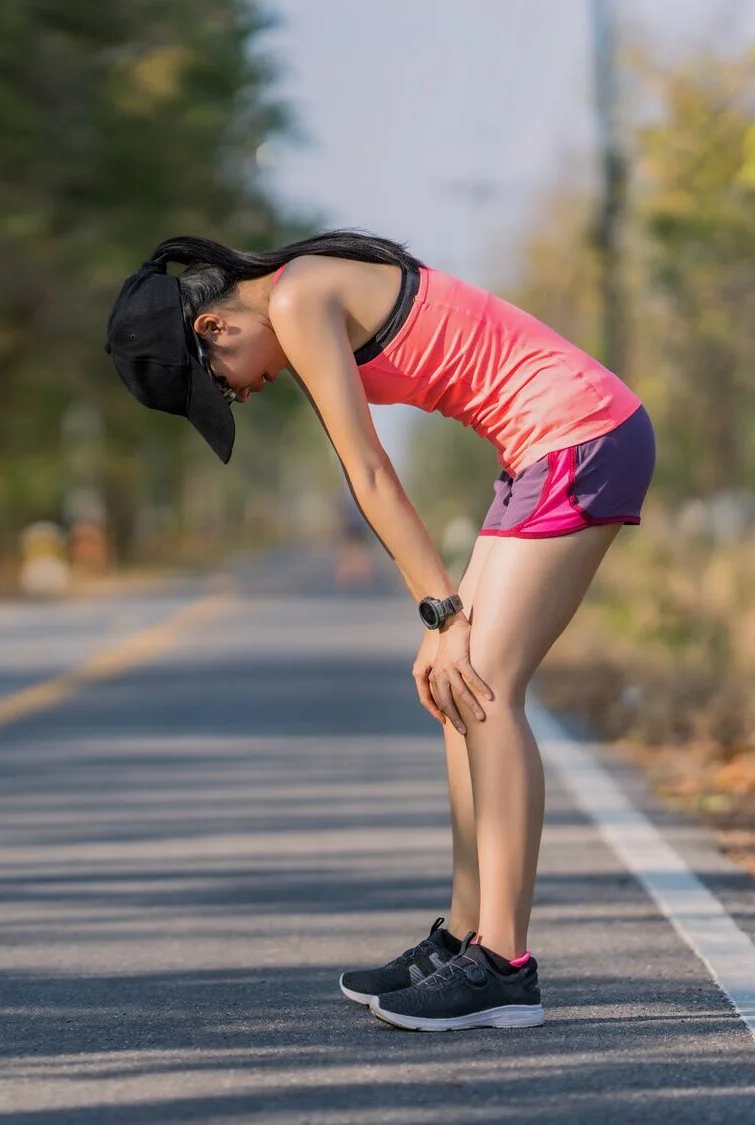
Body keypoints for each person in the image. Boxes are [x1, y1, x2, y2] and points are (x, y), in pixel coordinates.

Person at [103, 228, 656, 1032]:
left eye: (217, 384)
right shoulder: (300, 292)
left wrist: (440, 613)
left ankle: (504, 965)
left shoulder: (297, 298)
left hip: (582, 434)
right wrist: (441, 622)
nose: (238, 394)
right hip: (545, 446)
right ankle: (466, 936)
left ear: (212, 328)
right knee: (453, 689)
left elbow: (365, 469)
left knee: (484, 684)